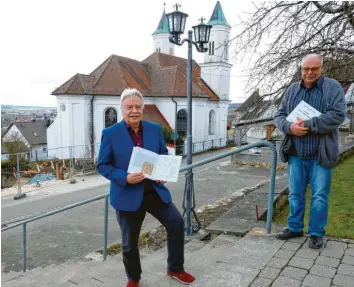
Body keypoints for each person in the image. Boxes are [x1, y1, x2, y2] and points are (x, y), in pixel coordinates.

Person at [97, 88, 195, 287]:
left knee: (176, 223)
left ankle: (175, 269)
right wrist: (125, 178)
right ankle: (134, 279)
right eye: (129, 107)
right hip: (127, 193)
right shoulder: (110, 134)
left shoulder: (153, 129)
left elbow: (162, 155)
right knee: (129, 243)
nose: (134, 110)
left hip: (153, 191)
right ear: (122, 109)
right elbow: (103, 165)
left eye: (137, 106)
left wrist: (162, 172)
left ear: (142, 108)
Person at [274, 54, 346, 249]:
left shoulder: (332, 87)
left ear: (321, 68)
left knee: (319, 195)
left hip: (320, 154)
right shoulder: (291, 90)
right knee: (295, 194)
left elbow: (338, 115)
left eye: (314, 69)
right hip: (296, 153)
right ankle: (295, 227)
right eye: (306, 69)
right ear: (301, 69)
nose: (309, 73)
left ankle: (316, 233)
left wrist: (308, 124)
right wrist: (290, 128)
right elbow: (279, 115)